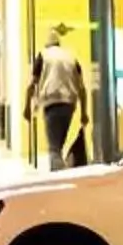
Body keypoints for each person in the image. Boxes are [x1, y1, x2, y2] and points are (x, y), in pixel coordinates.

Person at [28, 27, 85, 167]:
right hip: (69, 105)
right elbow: (82, 89)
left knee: (54, 148)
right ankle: (60, 169)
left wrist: (26, 107)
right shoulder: (71, 57)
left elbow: (32, 84)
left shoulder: (43, 55)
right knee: (59, 144)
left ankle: (57, 177)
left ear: (47, 44)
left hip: (51, 103)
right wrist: (84, 112)